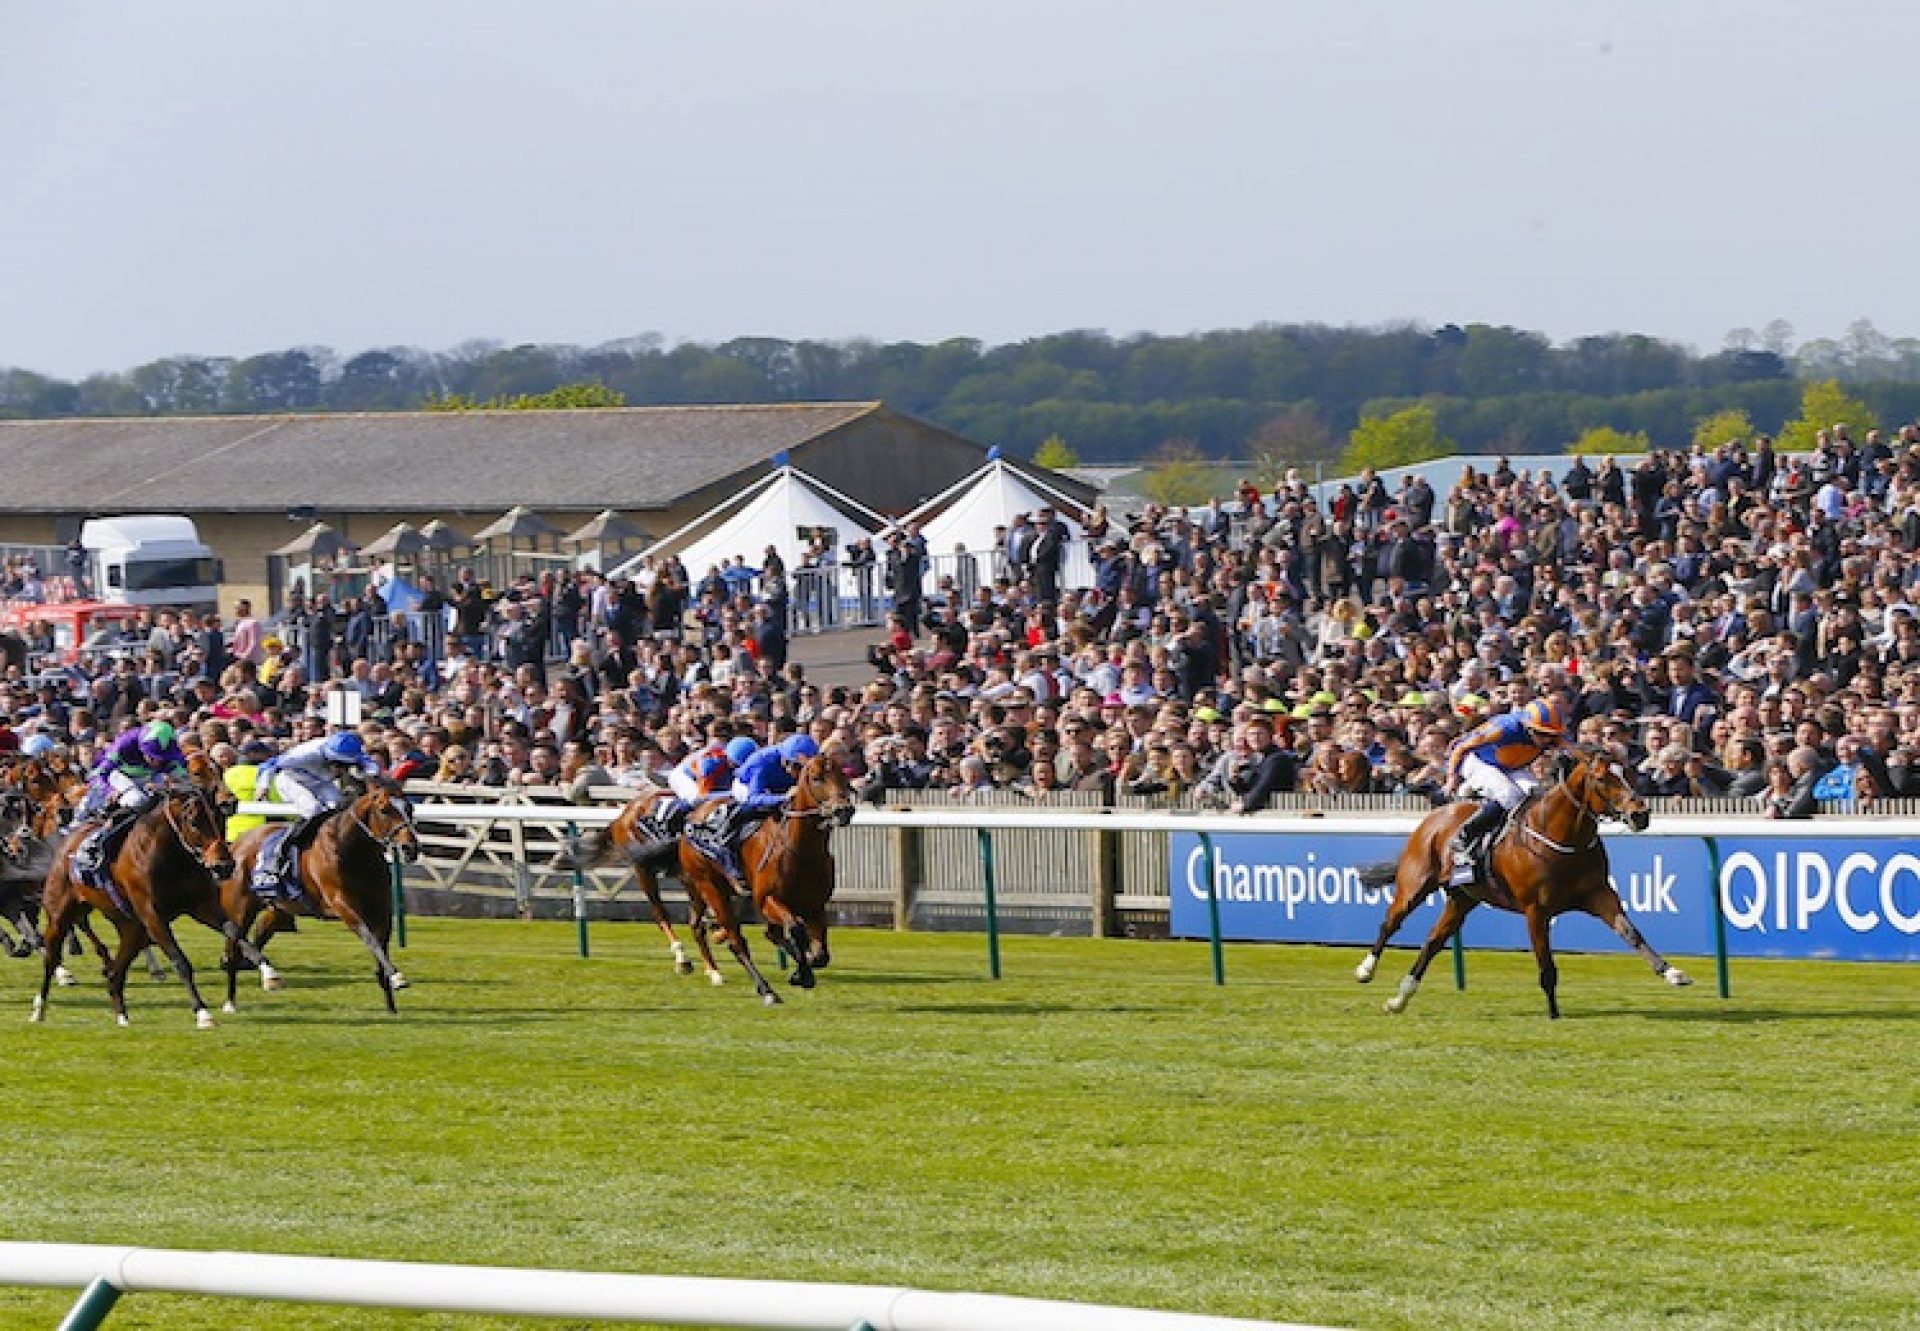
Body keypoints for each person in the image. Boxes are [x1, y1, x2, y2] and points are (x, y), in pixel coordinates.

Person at [1442, 696, 1568, 887]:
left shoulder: (1551, 736)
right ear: (1528, 727)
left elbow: (1574, 750)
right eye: (1542, 734)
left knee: (1537, 795)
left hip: (1511, 766)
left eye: (1551, 735)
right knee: (1510, 795)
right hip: (1477, 761)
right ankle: (1464, 836)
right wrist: (1452, 777)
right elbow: (1461, 747)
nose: (1547, 740)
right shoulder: (1504, 727)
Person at [250, 730, 382, 899]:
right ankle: (281, 851)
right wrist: (263, 786)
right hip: (292, 779)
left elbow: (372, 768)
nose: (341, 769)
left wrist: (373, 778)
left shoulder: (352, 750)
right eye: (338, 763)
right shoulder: (305, 754)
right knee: (313, 809)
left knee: (339, 807)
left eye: (345, 765)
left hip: (320, 781)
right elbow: (268, 765)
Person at [70, 719, 191, 878]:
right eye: (153, 757)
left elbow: (182, 775)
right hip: (118, 775)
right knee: (137, 800)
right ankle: (95, 841)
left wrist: (174, 784)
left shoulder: (171, 748)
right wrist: (110, 791)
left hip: (149, 777)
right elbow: (101, 773)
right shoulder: (125, 743)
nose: (158, 761)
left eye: (162, 757)